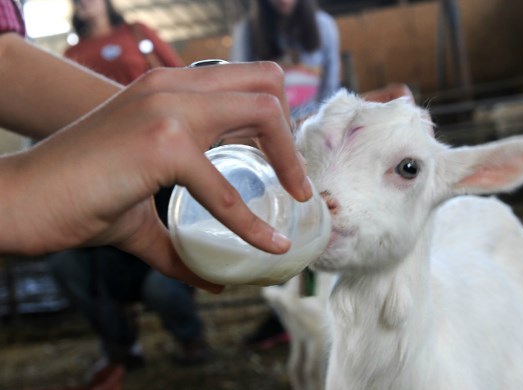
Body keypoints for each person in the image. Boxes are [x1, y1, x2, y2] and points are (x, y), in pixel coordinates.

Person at [0, 0, 311, 291]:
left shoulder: (135, 32)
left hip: (157, 154)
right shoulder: (74, 50)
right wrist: (16, 194)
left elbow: (6, 62)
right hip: (112, 166)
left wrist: (193, 127)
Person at [46, 0, 207, 368]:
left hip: (158, 163)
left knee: (163, 282)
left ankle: (189, 336)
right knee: (66, 266)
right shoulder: (72, 54)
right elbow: (62, 111)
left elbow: (179, 77)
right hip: (99, 171)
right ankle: (120, 346)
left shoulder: (138, 34)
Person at [230, 0, 341, 348]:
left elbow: (332, 87)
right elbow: (238, 88)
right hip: (269, 146)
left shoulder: (323, 28)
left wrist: (321, 130)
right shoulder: (248, 32)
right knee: (280, 225)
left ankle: (319, 306)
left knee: (319, 221)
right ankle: (285, 312)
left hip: (313, 142)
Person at [230, 0, 341, 121]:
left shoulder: (324, 25)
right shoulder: (246, 30)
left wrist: (322, 119)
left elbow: (330, 84)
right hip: (269, 125)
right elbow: (239, 87)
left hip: (315, 120)